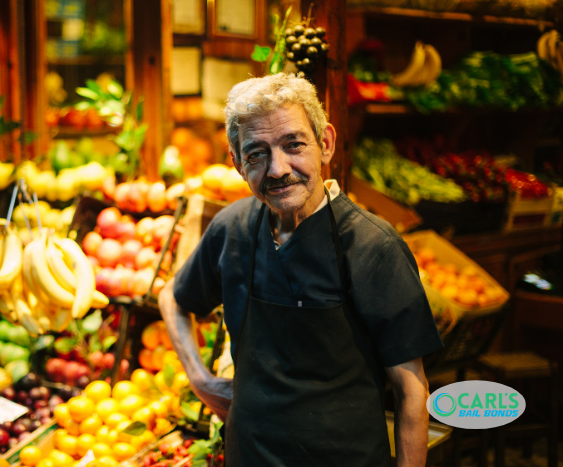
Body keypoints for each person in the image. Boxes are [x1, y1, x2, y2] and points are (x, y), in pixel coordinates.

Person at [158, 73, 443, 467]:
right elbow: (172, 296)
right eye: (256, 153)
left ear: (325, 143)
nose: (278, 169)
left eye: (293, 144)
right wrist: (201, 379)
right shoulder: (232, 228)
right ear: (237, 163)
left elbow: (412, 391)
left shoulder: (373, 246)